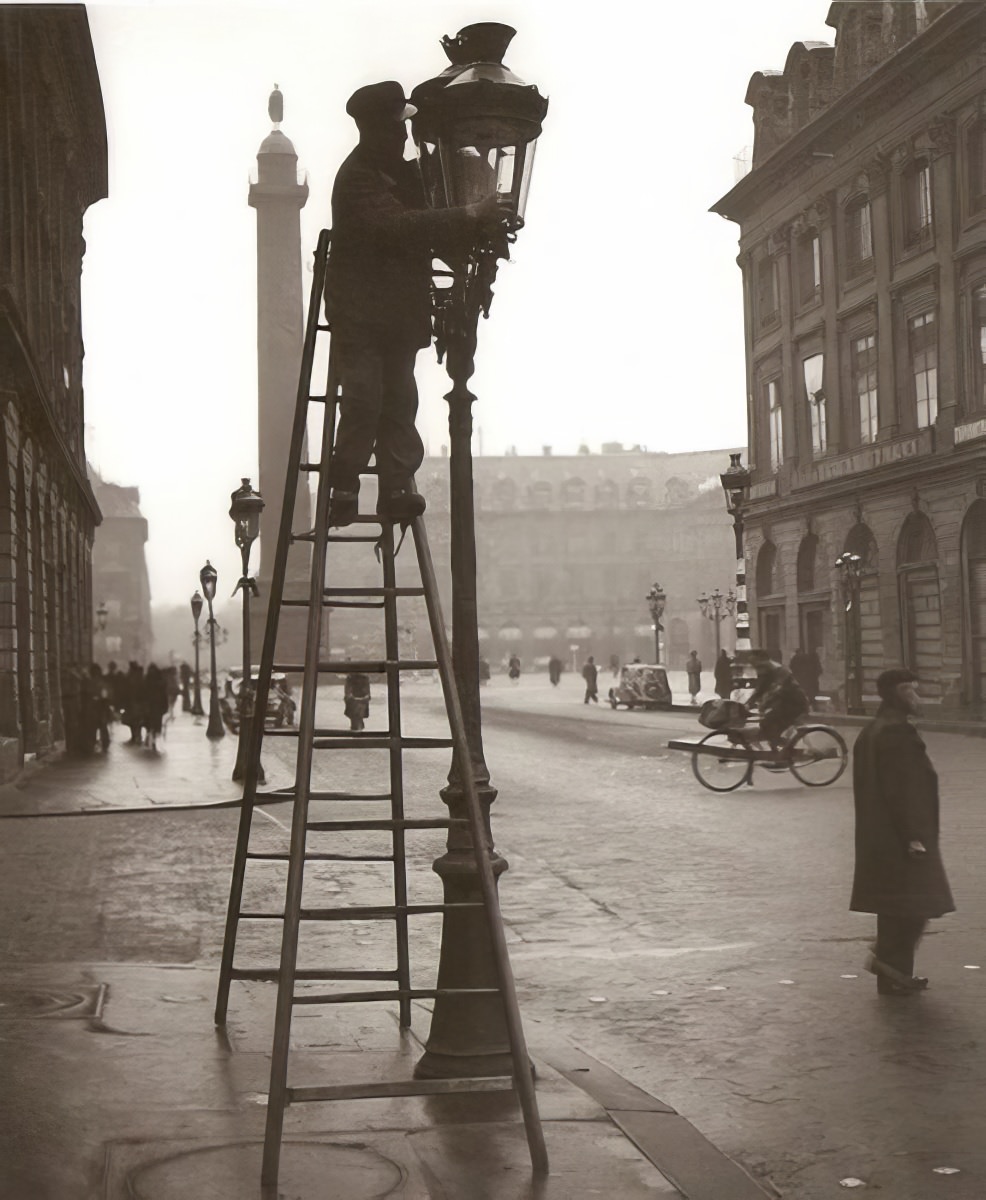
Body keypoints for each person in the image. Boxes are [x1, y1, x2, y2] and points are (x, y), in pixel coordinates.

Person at [324, 81, 502, 528]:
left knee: (401, 399)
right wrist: (467, 216)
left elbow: (426, 219)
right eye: (399, 128)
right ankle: (344, 486)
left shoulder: (398, 173)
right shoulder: (357, 178)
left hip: (397, 313)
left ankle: (396, 486)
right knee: (364, 399)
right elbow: (400, 227)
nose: (405, 136)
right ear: (379, 131)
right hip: (362, 313)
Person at [851, 668, 954, 995]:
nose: (916, 697)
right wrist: (914, 836)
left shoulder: (871, 731)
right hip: (904, 838)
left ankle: (892, 973)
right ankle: (885, 961)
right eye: (910, 691)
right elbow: (903, 791)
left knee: (895, 905)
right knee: (918, 903)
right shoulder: (897, 734)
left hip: (879, 836)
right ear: (896, 694)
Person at [747, 650, 809, 749]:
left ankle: (783, 753)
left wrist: (765, 702)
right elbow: (759, 690)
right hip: (783, 704)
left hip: (795, 704)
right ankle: (781, 749)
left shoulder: (781, 671)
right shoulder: (767, 672)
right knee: (767, 724)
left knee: (770, 723)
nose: (756, 668)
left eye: (756, 664)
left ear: (764, 660)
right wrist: (747, 704)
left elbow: (777, 688)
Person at [141, 663, 169, 752]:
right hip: (156, 706)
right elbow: (164, 695)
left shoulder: (147, 681)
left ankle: (151, 740)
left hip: (152, 706)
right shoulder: (160, 682)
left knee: (151, 724)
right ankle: (153, 741)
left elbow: (143, 693)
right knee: (156, 725)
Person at [89, 664, 111, 752]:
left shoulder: (90, 682)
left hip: (96, 708)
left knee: (94, 726)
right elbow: (106, 696)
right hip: (101, 707)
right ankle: (104, 743)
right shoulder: (102, 683)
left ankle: (93, 742)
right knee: (102, 726)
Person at [343, 667, 371, 732]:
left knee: (356, 718)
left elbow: (367, 694)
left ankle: (357, 727)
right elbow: (347, 693)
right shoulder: (350, 678)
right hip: (355, 701)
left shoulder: (363, 678)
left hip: (357, 701)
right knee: (355, 718)